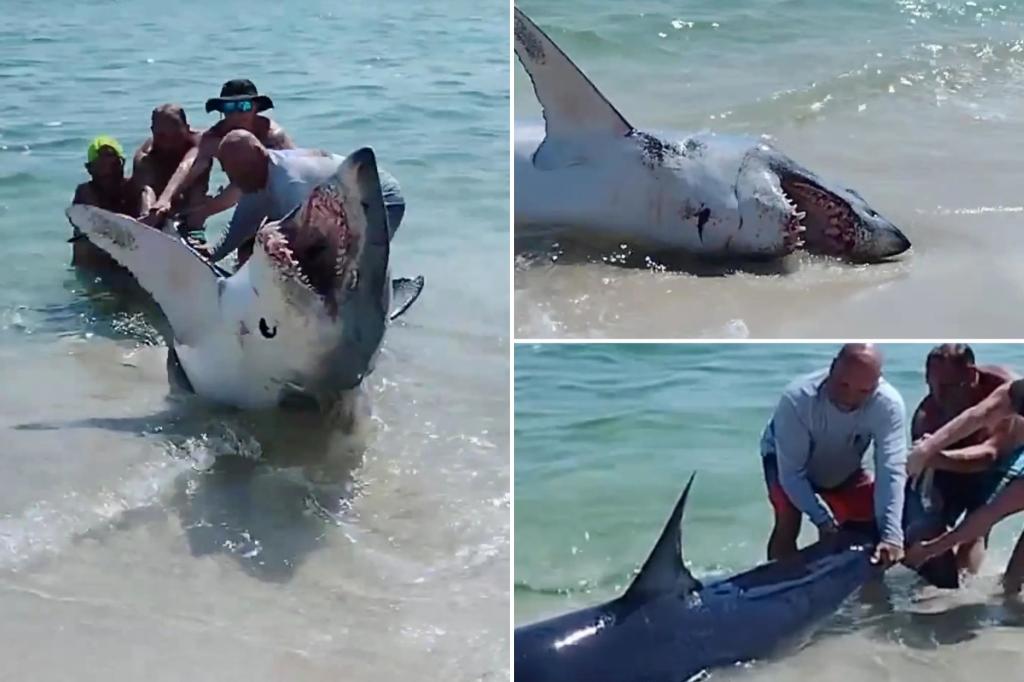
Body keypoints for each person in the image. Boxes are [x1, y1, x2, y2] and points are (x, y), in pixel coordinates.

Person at [760, 343, 906, 567]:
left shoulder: (888, 405)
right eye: (843, 384)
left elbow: (891, 470)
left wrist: (892, 536)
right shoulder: (798, 398)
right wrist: (822, 520)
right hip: (784, 459)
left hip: (843, 462)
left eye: (864, 391)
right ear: (832, 368)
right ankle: (773, 583)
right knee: (789, 518)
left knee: (867, 524)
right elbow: (791, 474)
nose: (849, 396)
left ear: (878, 382)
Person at [207, 130, 405, 266]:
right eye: (231, 175)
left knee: (350, 261)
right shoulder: (252, 183)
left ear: (261, 154)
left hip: (380, 198)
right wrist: (209, 256)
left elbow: (308, 244)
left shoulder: (290, 183)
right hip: (340, 209)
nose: (237, 181)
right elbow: (237, 232)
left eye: (240, 173)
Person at [906, 375, 1024, 592]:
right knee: (1011, 583)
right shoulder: (1016, 391)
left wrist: (930, 549)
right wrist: (928, 448)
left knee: (1013, 582)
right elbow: (978, 415)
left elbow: (992, 513)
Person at [145, 79, 296, 228]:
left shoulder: (272, 136)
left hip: (286, 196)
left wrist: (205, 211)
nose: (237, 114)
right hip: (250, 195)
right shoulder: (215, 136)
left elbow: (253, 183)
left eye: (244, 106)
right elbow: (191, 164)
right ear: (222, 111)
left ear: (255, 108)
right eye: (230, 107)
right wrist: (165, 199)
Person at [70, 136, 144, 270]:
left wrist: (150, 214)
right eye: (101, 167)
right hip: (94, 266)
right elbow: (98, 223)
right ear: (89, 169)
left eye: (114, 165)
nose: (109, 173)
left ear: (122, 164)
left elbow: (147, 197)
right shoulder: (85, 192)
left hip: (130, 261)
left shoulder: (135, 190)